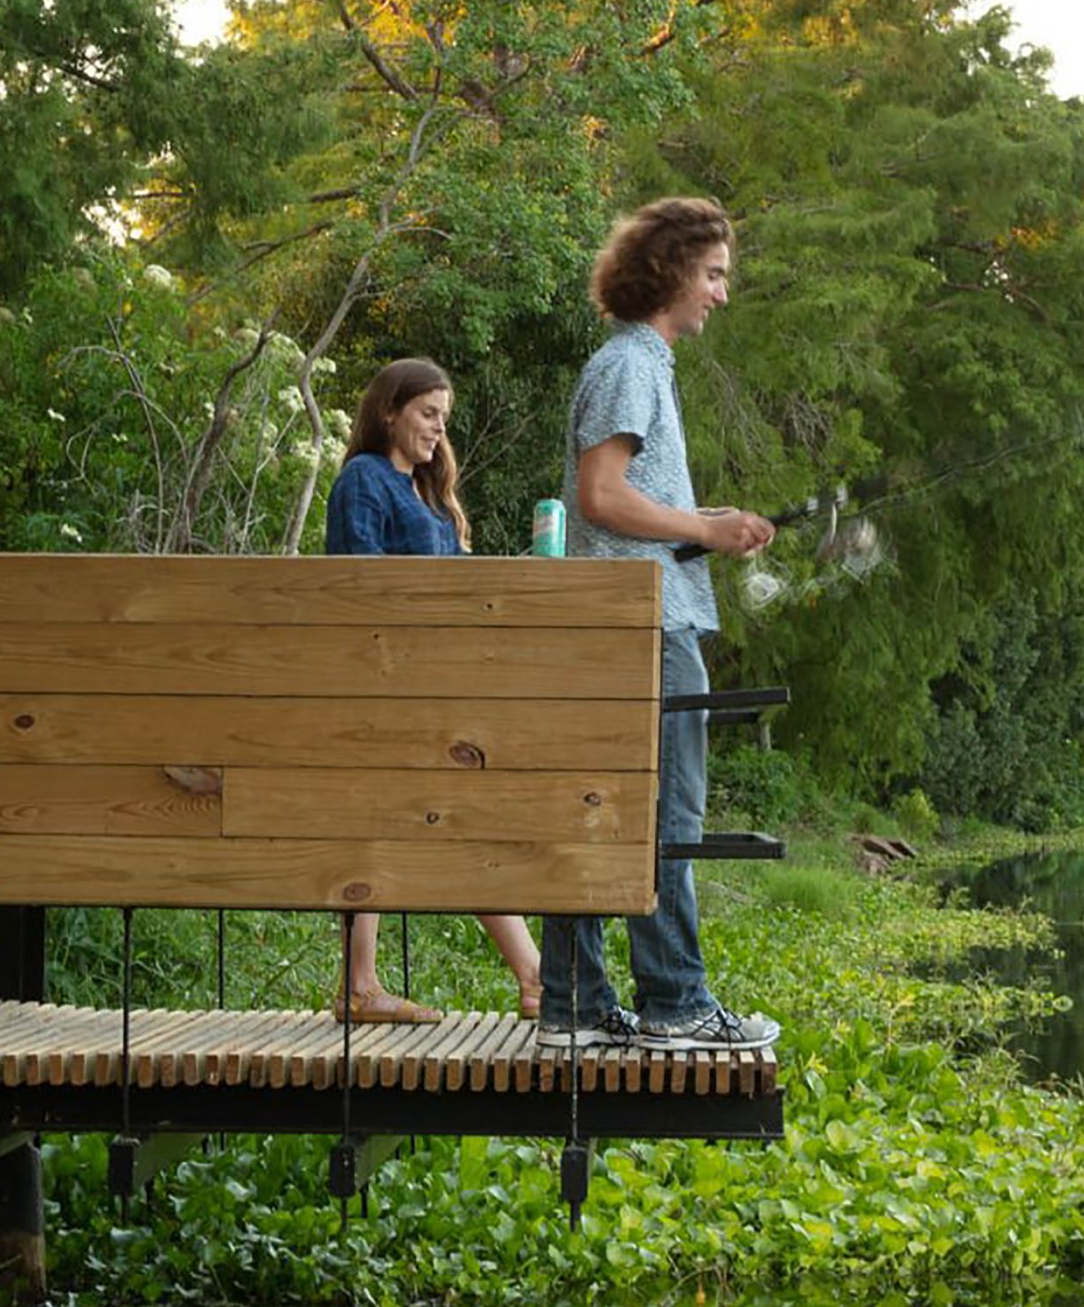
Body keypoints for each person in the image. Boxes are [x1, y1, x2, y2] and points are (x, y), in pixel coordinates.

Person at [537, 196, 780, 1052]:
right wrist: (702, 530)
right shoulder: (632, 362)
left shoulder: (634, 364)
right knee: (664, 817)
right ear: (672, 268)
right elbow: (600, 497)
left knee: (601, 810)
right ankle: (676, 1004)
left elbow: (622, 505)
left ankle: (570, 1004)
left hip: (623, 625)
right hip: (645, 631)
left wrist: (707, 517)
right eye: (713, 274)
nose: (720, 293)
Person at [324, 357, 544, 1025]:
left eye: (443, 418)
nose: (436, 428)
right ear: (390, 411)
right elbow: (359, 587)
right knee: (410, 821)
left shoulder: (425, 490)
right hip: (385, 687)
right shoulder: (365, 480)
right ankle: (364, 987)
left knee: (451, 820)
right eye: (427, 414)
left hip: (439, 689)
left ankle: (532, 977)